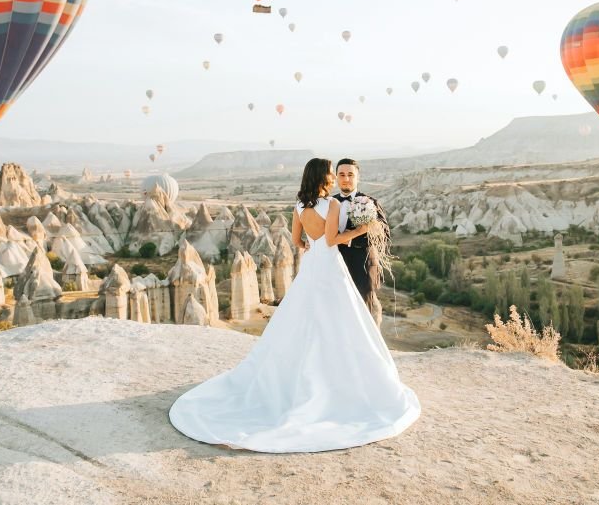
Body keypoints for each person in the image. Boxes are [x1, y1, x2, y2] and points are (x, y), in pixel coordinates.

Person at [168, 158, 421, 453]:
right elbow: (331, 240)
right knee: (340, 319)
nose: (335, 177)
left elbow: (298, 240)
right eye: (332, 173)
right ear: (325, 177)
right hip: (331, 266)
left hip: (311, 266)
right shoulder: (333, 206)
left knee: (302, 318)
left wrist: (309, 245)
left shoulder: (299, 207)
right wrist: (359, 231)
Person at [332, 158, 388, 326]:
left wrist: (350, 239)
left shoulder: (370, 202)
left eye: (350, 174)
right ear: (336, 177)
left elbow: (384, 234)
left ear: (358, 177)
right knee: (336, 311)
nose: (346, 178)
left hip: (363, 265)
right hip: (334, 265)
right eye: (341, 174)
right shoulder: (329, 203)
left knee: (364, 312)